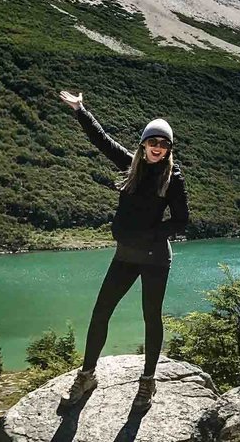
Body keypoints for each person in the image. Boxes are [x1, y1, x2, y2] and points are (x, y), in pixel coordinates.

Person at [56, 90, 189, 412]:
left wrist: (151, 235)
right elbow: (101, 140)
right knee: (101, 312)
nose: (157, 148)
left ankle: (147, 382)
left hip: (156, 257)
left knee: (150, 318)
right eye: (153, 142)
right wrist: (80, 110)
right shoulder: (131, 166)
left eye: (164, 144)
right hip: (126, 255)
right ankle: (87, 375)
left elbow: (182, 221)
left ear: (169, 149)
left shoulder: (173, 179)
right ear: (143, 143)